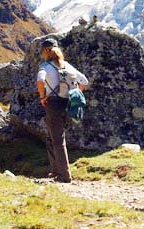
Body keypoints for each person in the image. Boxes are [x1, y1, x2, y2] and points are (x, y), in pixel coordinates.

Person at [36, 37, 88, 183]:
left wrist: (42, 97)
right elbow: (84, 81)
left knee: (58, 140)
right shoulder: (67, 66)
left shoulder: (45, 66)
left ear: (45, 52)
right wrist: (76, 92)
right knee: (51, 137)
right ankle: (55, 170)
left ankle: (64, 175)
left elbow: (40, 81)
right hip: (68, 103)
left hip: (53, 103)